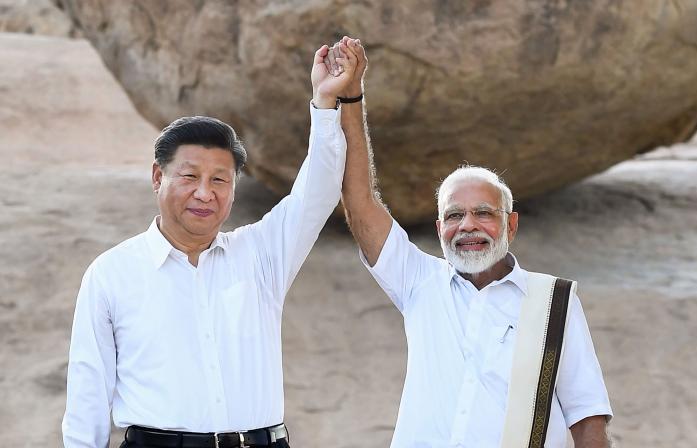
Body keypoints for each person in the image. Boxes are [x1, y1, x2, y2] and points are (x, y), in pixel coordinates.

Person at [62, 41, 360, 448]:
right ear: (157, 177)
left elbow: (319, 193)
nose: (205, 193)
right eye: (189, 177)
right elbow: (87, 398)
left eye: (219, 180)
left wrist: (325, 102)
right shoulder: (111, 274)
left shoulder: (260, 254)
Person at [336, 37, 613, 448]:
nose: (468, 225)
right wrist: (351, 96)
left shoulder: (554, 301)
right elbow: (360, 202)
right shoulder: (418, 283)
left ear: (510, 224)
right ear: (438, 226)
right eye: (454, 215)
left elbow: (587, 419)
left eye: (484, 213)